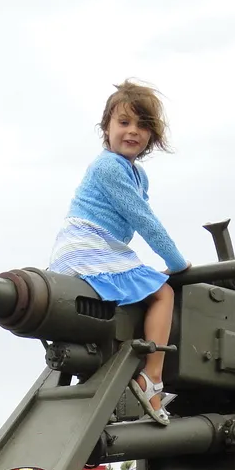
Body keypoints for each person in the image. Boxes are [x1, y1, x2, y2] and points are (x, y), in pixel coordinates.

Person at [49, 80, 189, 426]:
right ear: (106, 128)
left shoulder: (137, 174)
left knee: (139, 296)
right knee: (163, 293)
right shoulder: (109, 167)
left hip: (96, 247)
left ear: (152, 136)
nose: (132, 131)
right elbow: (144, 221)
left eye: (142, 126)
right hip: (89, 246)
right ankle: (152, 377)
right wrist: (177, 263)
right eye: (124, 122)